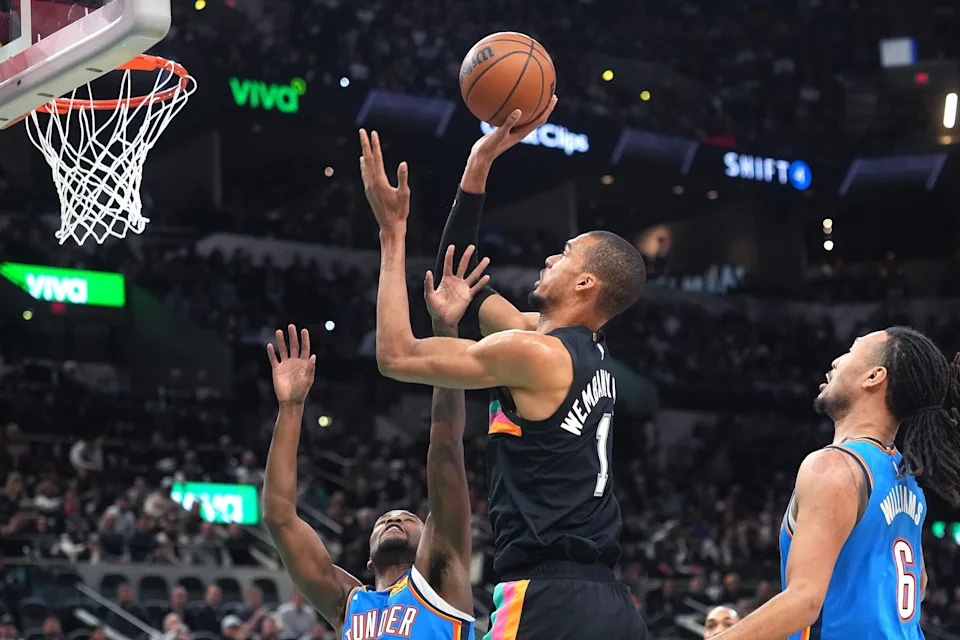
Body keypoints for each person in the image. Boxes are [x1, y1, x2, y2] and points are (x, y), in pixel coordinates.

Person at [359, 107, 648, 640]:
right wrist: (479, 160)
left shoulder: (535, 355)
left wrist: (391, 234)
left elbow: (395, 356)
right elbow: (458, 266)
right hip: (610, 603)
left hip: (546, 598)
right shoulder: (579, 351)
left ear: (586, 284)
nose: (548, 259)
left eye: (563, 255)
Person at [713, 327, 960, 639]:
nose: (836, 361)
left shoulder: (834, 466)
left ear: (874, 377)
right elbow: (918, 584)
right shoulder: (906, 479)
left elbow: (804, 602)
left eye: (851, 351)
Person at [261, 325, 475, 639]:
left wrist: (445, 334)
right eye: (384, 520)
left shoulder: (441, 580)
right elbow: (278, 517)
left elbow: (445, 446)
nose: (395, 518)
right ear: (369, 558)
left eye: (409, 519)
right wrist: (291, 408)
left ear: (429, 541)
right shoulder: (347, 605)